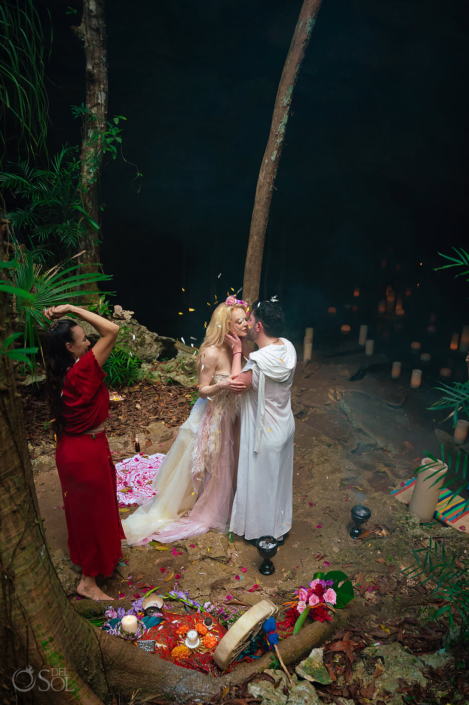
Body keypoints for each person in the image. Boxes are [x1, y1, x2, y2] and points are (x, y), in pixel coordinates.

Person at [122, 297, 249, 545]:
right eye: (240, 321)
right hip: (212, 415)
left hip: (232, 415)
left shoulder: (240, 348)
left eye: (245, 319)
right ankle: (207, 504)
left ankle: (230, 500)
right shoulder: (210, 352)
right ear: (226, 325)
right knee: (211, 461)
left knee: (229, 459)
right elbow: (201, 390)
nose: (246, 324)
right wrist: (220, 385)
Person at [44, 304, 124, 600]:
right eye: (82, 340)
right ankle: (88, 582)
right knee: (91, 514)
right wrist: (72, 308)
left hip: (75, 447)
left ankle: (102, 563)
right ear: (69, 347)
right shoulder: (81, 371)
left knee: (88, 511)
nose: (89, 343)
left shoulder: (62, 372)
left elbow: (81, 404)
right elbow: (112, 330)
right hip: (84, 455)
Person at [228, 300, 297, 544]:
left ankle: (263, 532)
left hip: (264, 431)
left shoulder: (257, 362)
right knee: (278, 480)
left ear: (258, 326)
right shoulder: (287, 348)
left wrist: (237, 351)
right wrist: (248, 349)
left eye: (250, 319)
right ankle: (279, 523)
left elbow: (237, 384)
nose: (246, 322)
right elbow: (260, 365)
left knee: (261, 482)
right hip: (284, 425)